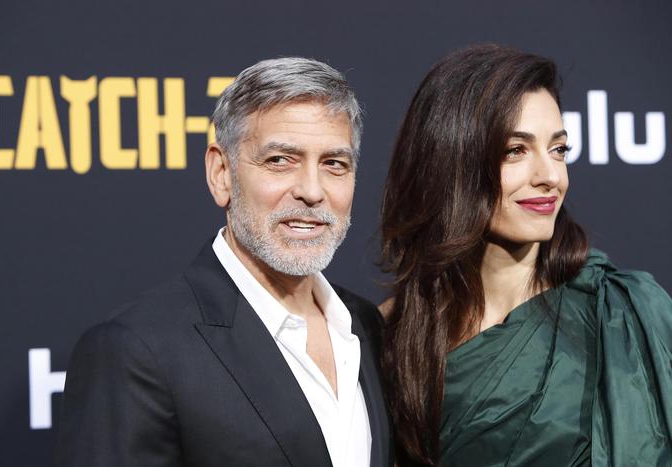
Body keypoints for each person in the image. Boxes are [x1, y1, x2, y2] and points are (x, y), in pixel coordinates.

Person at [56, 57, 391, 467]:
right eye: (279, 160)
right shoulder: (137, 351)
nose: (311, 191)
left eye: (334, 164)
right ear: (221, 173)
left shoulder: (367, 327)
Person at [379, 44, 672, 466]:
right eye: (515, 151)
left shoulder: (622, 313)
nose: (550, 176)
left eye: (558, 149)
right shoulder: (390, 332)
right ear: (453, 161)